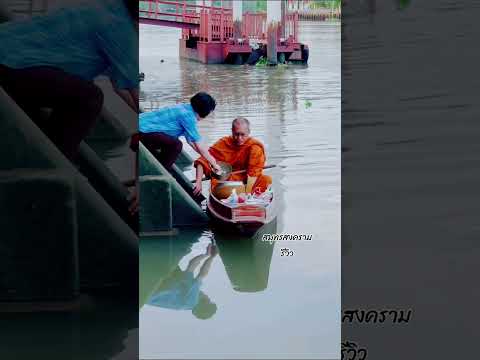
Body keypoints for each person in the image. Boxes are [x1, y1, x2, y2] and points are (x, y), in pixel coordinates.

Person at [0, 0, 139, 161]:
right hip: (11, 67)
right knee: (88, 97)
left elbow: (120, 86)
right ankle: (52, 163)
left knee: (78, 91)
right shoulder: (119, 26)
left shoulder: (106, 7)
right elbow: (135, 88)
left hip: (11, 62)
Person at [132, 92, 220, 173]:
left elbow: (191, 142)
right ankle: (160, 172)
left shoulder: (185, 107)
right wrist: (214, 163)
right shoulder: (189, 117)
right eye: (209, 112)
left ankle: (160, 167)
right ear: (204, 111)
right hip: (141, 133)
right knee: (176, 145)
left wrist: (208, 159)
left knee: (172, 142)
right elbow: (199, 145)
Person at [193, 117, 272, 196]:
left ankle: (247, 195)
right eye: (236, 134)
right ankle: (245, 195)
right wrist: (198, 182)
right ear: (232, 131)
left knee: (266, 180)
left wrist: (247, 194)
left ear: (248, 132)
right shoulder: (224, 143)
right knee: (220, 188)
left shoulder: (255, 147)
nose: (239, 138)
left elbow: (254, 174)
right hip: (226, 184)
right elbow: (203, 160)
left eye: (243, 134)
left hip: (249, 184)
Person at [147, 243, 218, 320]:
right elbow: (192, 265)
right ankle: (161, 255)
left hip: (152, 291)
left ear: (204, 302)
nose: (207, 296)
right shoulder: (187, 290)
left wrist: (212, 257)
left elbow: (202, 274)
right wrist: (206, 254)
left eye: (208, 299)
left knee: (178, 275)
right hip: (155, 290)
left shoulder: (192, 302)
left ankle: (160, 255)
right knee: (179, 275)